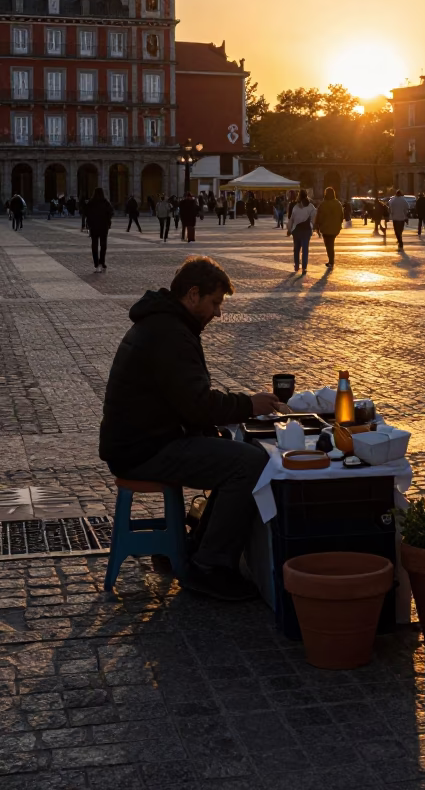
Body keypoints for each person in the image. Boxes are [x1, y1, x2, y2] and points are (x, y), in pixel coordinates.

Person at [98, 255, 288, 601]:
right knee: (248, 464)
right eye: (215, 303)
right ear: (193, 294)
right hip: (143, 449)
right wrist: (249, 405)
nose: (218, 313)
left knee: (234, 455)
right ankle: (209, 566)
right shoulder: (169, 332)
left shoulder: (166, 323)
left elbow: (187, 401)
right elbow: (198, 404)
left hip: (142, 440)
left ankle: (194, 547)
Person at [314, 186, 344, 268]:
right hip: (335, 228)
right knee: (331, 243)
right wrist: (339, 224)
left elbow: (319, 216)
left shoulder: (323, 204)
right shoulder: (338, 204)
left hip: (325, 228)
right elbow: (342, 216)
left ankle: (331, 261)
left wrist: (317, 226)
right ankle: (331, 260)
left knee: (328, 245)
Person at [287, 189, 316, 274]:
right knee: (305, 249)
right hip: (306, 230)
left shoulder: (294, 205)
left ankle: (296, 265)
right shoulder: (310, 206)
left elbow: (291, 219)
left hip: (296, 230)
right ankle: (304, 267)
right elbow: (314, 218)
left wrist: (289, 229)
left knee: (296, 249)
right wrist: (313, 227)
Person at [86, 187, 114, 272]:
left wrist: (88, 224)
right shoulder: (105, 202)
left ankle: (96, 263)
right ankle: (102, 262)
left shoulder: (91, 202)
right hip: (103, 226)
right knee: (103, 245)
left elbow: (86, 213)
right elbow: (111, 213)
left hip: (94, 227)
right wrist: (107, 220)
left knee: (94, 245)